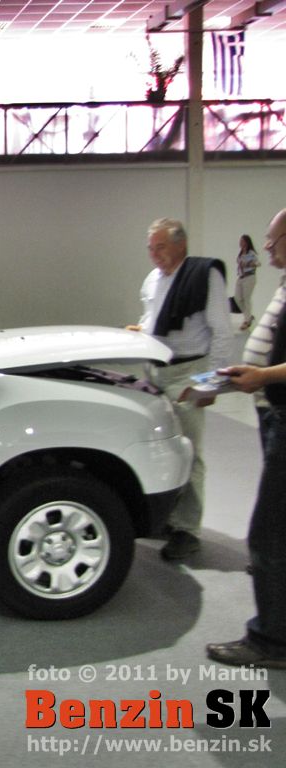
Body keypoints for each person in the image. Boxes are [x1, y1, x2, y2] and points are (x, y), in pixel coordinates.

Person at [206, 208, 286, 668]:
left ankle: (271, 642)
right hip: (273, 413)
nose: (266, 247)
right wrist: (247, 376)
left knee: (268, 535)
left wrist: (262, 376)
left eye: (274, 240)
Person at [129, 218, 233, 560]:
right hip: (155, 371)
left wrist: (213, 382)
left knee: (190, 450)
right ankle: (168, 517)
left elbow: (222, 331)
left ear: (181, 245)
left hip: (188, 372)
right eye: (150, 248)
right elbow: (151, 319)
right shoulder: (152, 279)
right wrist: (139, 331)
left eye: (160, 247)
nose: (154, 254)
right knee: (163, 448)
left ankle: (187, 529)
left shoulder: (204, 275)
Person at [234, 234, 260, 330]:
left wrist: (248, 263)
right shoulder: (241, 253)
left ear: (247, 242)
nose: (240, 243)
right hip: (241, 277)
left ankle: (247, 320)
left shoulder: (251, 253)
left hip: (249, 277)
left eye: (242, 241)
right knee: (237, 298)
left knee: (246, 298)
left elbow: (258, 263)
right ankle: (248, 316)